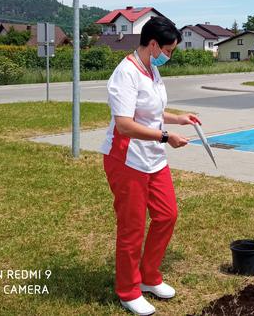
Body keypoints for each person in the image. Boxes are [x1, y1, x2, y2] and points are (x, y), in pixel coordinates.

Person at [101, 17, 201, 316]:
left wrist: (177, 118)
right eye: (169, 50)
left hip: (153, 158)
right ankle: (128, 290)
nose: (169, 56)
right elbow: (126, 125)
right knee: (131, 227)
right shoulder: (125, 73)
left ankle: (148, 276)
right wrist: (166, 136)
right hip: (127, 158)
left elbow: (151, 112)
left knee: (167, 215)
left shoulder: (152, 70)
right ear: (153, 44)